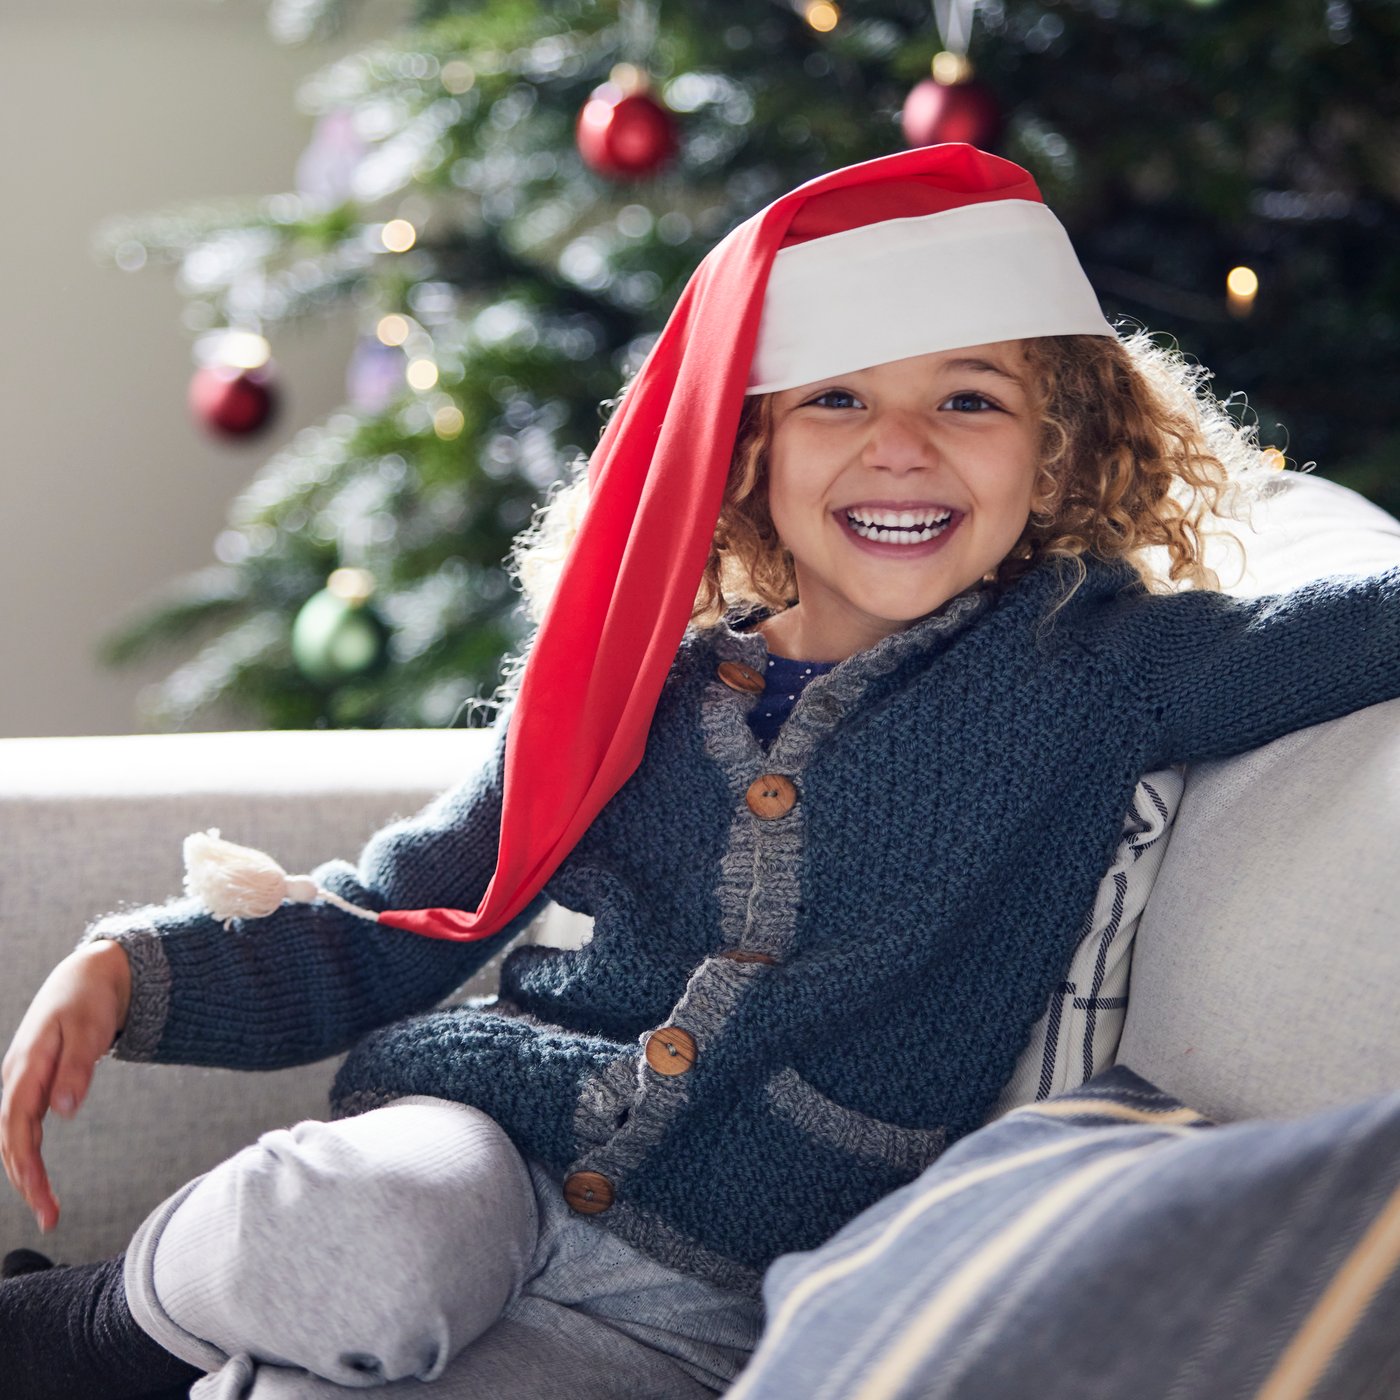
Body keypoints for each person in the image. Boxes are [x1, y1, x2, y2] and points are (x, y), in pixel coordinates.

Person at [2, 143, 1399, 1400]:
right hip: (479, 1147)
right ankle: (86, 1336)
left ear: (1054, 457)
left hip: (702, 1307)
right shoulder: (645, 681)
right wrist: (137, 969)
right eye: (838, 399)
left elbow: (1354, 628)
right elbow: (417, 907)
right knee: (356, 1241)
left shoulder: (1104, 669)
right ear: (752, 459)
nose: (898, 446)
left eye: (967, 400)